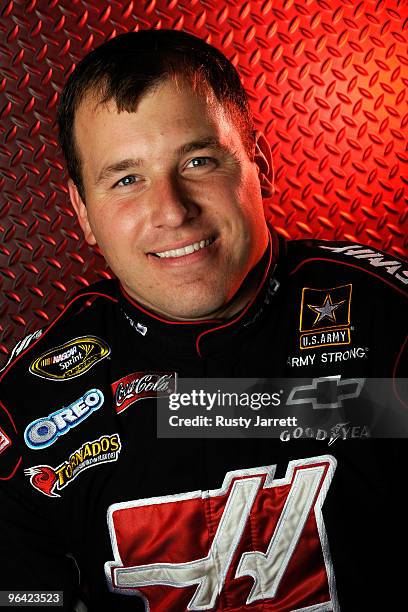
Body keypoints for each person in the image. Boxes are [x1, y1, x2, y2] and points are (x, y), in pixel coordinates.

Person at [0, 29, 406, 612]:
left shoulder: (388, 317)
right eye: (127, 179)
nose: (172, 210)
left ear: (258, 166)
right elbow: (21, 595)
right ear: (82, 213)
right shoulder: (26, 406)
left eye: (198, 160)